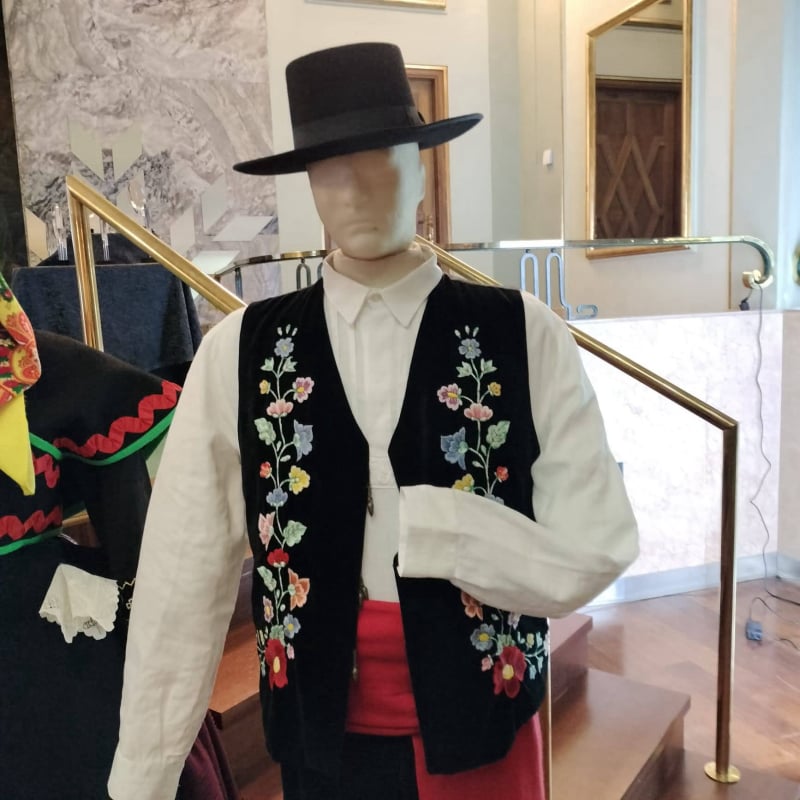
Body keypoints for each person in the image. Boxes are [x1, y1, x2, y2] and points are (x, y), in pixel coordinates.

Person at [108, 42, 638, 800]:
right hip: (322, 736)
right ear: (308, 185)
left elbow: (598, 541)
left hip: (481, 720)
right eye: (330, 167)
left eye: (381, 157)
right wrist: (144, 773)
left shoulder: (523, 332)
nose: (355, 187)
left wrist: (445, 532)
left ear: (421, 167)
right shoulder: (238, 353)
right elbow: (181, 573)